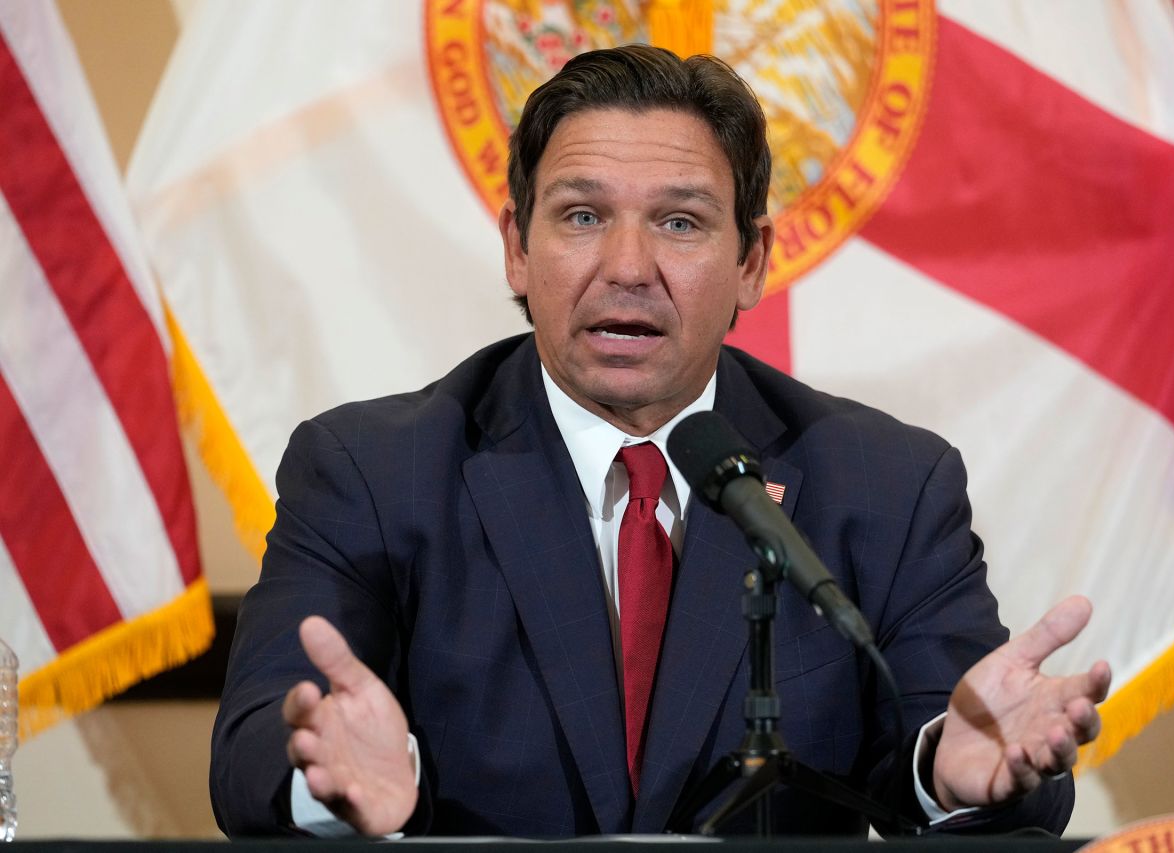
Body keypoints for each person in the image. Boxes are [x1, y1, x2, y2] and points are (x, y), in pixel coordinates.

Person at [210, 44, 1110, 839]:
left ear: (751, 260)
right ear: (517, 248)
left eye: (680, 222)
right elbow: (255, 748)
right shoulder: (372, 470)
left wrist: (945, 777)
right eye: (581, 216)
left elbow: (982, 759)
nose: (629, 267)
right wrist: (328, 785)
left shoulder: (886, 483)